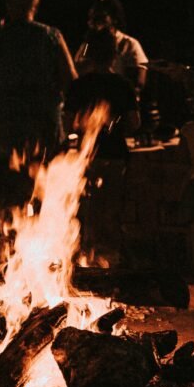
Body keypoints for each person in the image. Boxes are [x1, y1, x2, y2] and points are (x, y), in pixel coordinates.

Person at [0, 0, 77, 210]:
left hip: (7, 122)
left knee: (7, 187)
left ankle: (10, 238)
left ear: (9, 4)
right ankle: (42, 236)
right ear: (35, 5)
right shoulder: (51, 36)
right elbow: (71, 78)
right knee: (45, 183)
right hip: (44, 120)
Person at [64, 27, 141, 264]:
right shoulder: (123, 85)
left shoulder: (79, 86)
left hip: (86, 159)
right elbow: (134, 124)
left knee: (86, 213)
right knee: (111, 212)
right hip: (115, 156)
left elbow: (68, 123)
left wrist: (85, 127)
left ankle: (85, 259)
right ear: (114, 54)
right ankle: (111, 262)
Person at [73, 0, 149, 93]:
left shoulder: (129, 44)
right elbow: (78, 68)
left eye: (100, 16)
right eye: (92, 17)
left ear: (114, 19)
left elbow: (138, 83)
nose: (94, 21)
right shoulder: (87, 44)